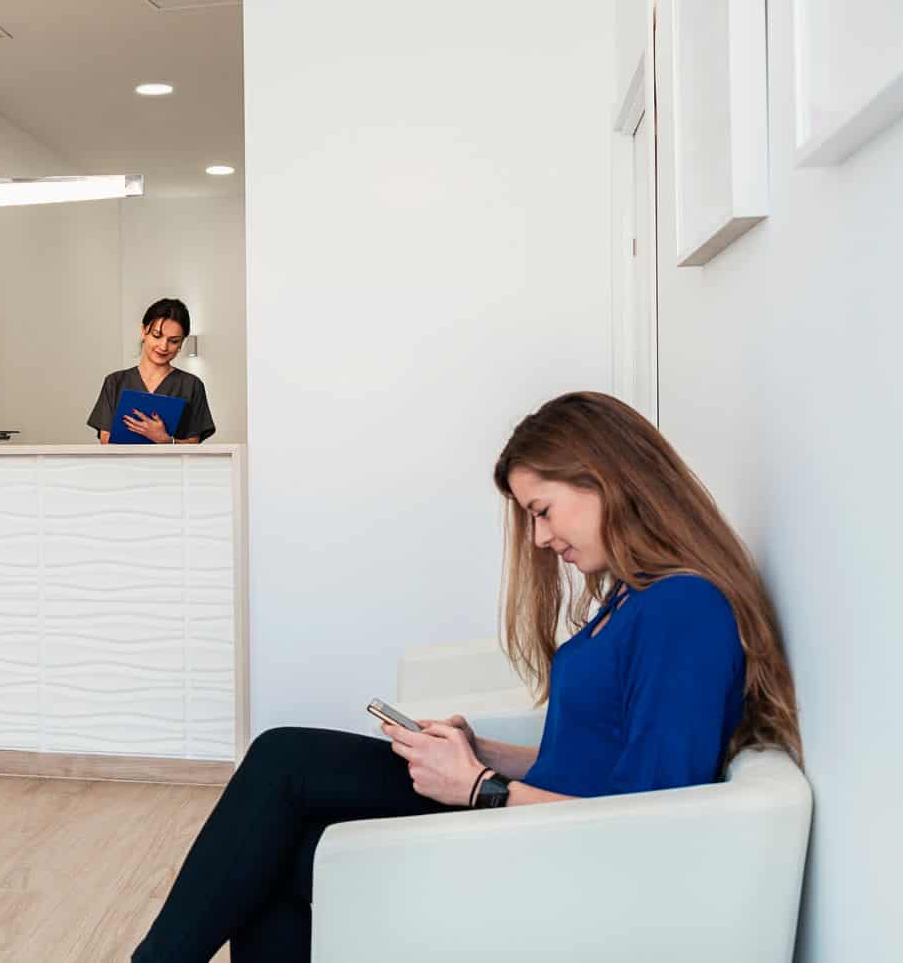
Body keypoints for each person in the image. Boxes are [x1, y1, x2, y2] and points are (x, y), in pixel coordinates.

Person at [131, 391, 802, 962]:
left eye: (541, 510)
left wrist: (480, 789)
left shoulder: (683, 609)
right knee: (283, 829)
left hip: (560, 853)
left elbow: (654, 822)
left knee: (284, 766)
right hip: (542, 823)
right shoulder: (635, 597)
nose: (538, 539)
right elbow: (600, 761)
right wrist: (482, 751)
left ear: (606, 478)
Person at [88, 298, 216, 445]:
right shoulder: (115, 382)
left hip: (171, 468)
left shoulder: (191, 385)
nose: (163, 346)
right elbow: (106, 441)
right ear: (144, 331)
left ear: (182, 343)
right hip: (124, 467)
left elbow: (193, 445)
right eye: (157, 336)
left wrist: (165, 440)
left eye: (173, 341)